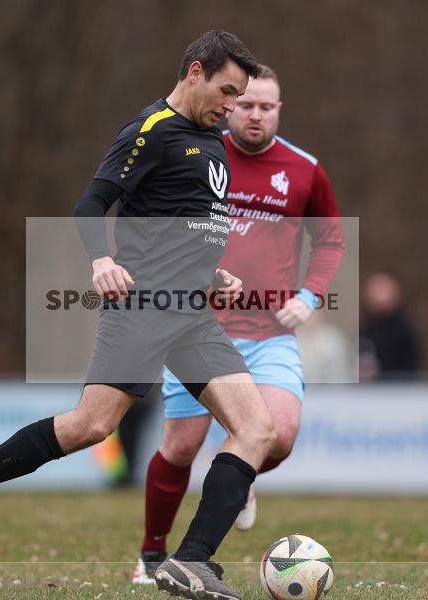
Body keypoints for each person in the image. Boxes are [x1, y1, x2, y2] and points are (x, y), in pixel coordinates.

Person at [0, 31, 271, 600]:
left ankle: (191, 561)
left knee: (255, 429)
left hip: (190, 311)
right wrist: (100, 260)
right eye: (226, 91)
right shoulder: (151, 131)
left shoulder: (209, 138)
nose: (232, 106)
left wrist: (208, 271)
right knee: (90, 426)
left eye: (241, 97)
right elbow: (91, 203)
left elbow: (178, 220)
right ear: (194, 72)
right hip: (144, 305)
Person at [131, 65, 345, 585]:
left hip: (269, 333)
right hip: (197, 328)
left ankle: (239, 476)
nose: (255, 115)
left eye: (266, 107)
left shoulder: (304, 170)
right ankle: (152, 553)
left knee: (280, 436)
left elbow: (331, 241)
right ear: (230, 105)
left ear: (279, 110)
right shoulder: (201, 154)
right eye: (246, 105)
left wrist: (309, 294)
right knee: (180, 448)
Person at [359, 272, 422, 381]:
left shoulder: (404, 329)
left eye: (382, 291)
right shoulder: (366, 327)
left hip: (399, 389)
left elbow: (411, 366)